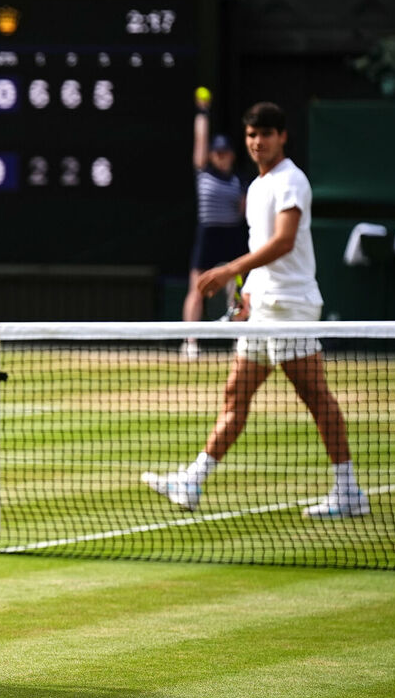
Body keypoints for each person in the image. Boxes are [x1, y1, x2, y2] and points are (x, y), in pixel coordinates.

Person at [142, 102, 368, 520]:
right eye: (251, 135)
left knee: (316, 398)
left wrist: (230, 270)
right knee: (235, 396)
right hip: (263, 310)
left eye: (265, 134)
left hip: (290, 309)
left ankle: (348, 489)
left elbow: (283, 242)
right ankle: (192, 480)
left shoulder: (291, 181)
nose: (256, 142)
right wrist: (246, 293)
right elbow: (260, 247)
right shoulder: (260, 184)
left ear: (282, 136)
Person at [182, 89, 247, 358]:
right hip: (208, 236)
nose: (220, 156)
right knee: (196, 290)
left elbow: (245, 212)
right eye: (216, 152)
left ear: (231, 155)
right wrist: (202, 112)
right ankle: (190, 342)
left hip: (232, 236)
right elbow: (200, 139)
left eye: (224, 152)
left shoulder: (238, 181)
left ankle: (240, 342)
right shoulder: (203, 172)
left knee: (239, 292)